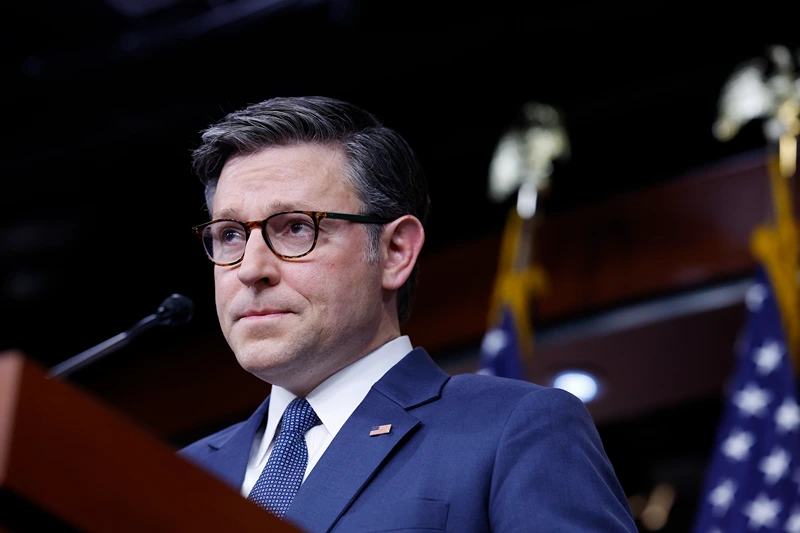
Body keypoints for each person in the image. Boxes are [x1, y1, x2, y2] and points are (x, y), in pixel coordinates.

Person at [178, 95, 637, 533]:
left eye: (297, 228)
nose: (251, 269)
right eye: (231, 235)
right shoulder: (181, 474)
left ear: (396, 251)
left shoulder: (511, 429)